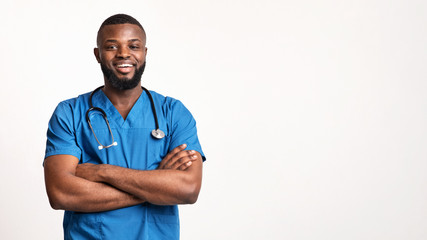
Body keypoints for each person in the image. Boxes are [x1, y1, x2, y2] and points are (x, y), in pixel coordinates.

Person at [43, 14, 205, 240]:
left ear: (145, 53)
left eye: (133, 46)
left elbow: (188, 189)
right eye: (111, 46)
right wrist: (157, 183)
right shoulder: (69, 113)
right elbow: (60, 193)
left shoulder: (173, 113)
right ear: (98, 55)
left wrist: (102, 172)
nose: (124, 53)